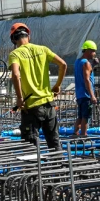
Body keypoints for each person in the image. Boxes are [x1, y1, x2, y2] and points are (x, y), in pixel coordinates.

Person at [8, 22, 67, 150]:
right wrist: (57, 85)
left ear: (13, 40)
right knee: (55, 144)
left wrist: (19, 98)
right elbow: (63, 65)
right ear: (28, 36)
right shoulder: (43, 49)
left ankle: (35, 164)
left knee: (30, 148)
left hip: (31, 108)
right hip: (49, 105)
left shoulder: (15, 54)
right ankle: (60, 163)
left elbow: (16, 75)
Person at [74, 40, 98, 138]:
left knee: (80, 116)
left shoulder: (77, 62)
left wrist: (93, 65)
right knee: (85, 117)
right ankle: (83, 136)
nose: (94, 53)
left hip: (79, 94)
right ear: (88, 51)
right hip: (86, 94)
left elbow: (85, 73)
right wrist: (92, 96)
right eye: (93, 51)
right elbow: (87, 80)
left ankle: (75, 133)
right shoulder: (86, 63)